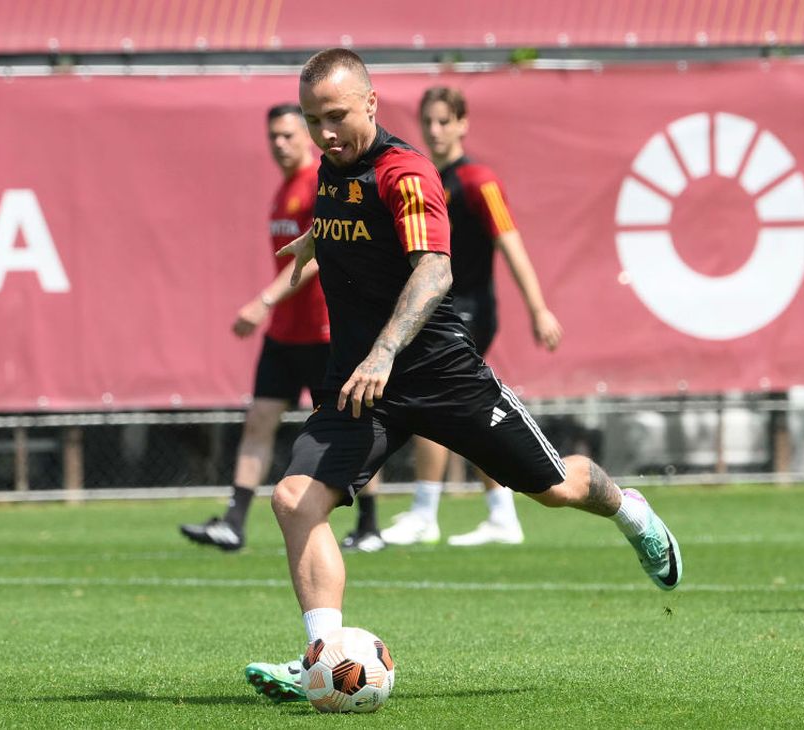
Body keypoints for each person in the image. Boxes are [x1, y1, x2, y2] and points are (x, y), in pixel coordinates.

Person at [243, 49, 682, 703]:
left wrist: (387, 349)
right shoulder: (334, 172)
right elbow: (354, 223)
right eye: (313, 120)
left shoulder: (408, 172)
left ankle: (633, 512)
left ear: (370, 103)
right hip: (362, 384)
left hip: (439, 370)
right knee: (292, 500)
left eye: (335, 116)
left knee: (556, 488)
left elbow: (434, 270)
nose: (324, 133)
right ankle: (320, 658)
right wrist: (318, 240)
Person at [179, 104, 384, 553]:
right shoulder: (283, 189)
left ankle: (369, 525)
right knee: (259, 422)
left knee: (349, 429)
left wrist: (263, 299)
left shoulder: (318, 182)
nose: (281, 143)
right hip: (285, 335)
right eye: (274, 136)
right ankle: (234, 522)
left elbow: (316, 255)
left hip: (325, 333)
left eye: (290, 134)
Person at [378, 86, 564, 548]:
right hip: (439, 310)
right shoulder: (420, 178)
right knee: (468, 408)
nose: (436, 131)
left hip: (469, 309)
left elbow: (510, 241)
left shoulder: (478, 179)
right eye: (429, 122)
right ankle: (501, 513)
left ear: (463, 123)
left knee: (430, 396)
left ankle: (425, 511)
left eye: (445, 121)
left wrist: (538, 309)